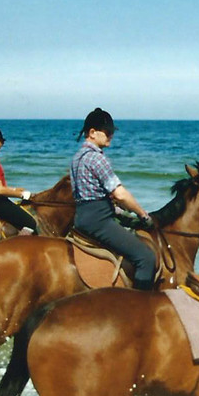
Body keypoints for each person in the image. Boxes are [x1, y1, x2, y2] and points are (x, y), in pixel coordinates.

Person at [70, 108, 156, 290]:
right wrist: (143, 215)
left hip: (81, 217)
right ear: (92, 133)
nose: (111, 136)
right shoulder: (97, 159)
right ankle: (140, 308)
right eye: (107, 132)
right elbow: (120, 194)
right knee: (146, 258)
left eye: (112, 132)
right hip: (98, 221)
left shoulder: (77, 158)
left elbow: (90, 195)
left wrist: (117, 211)